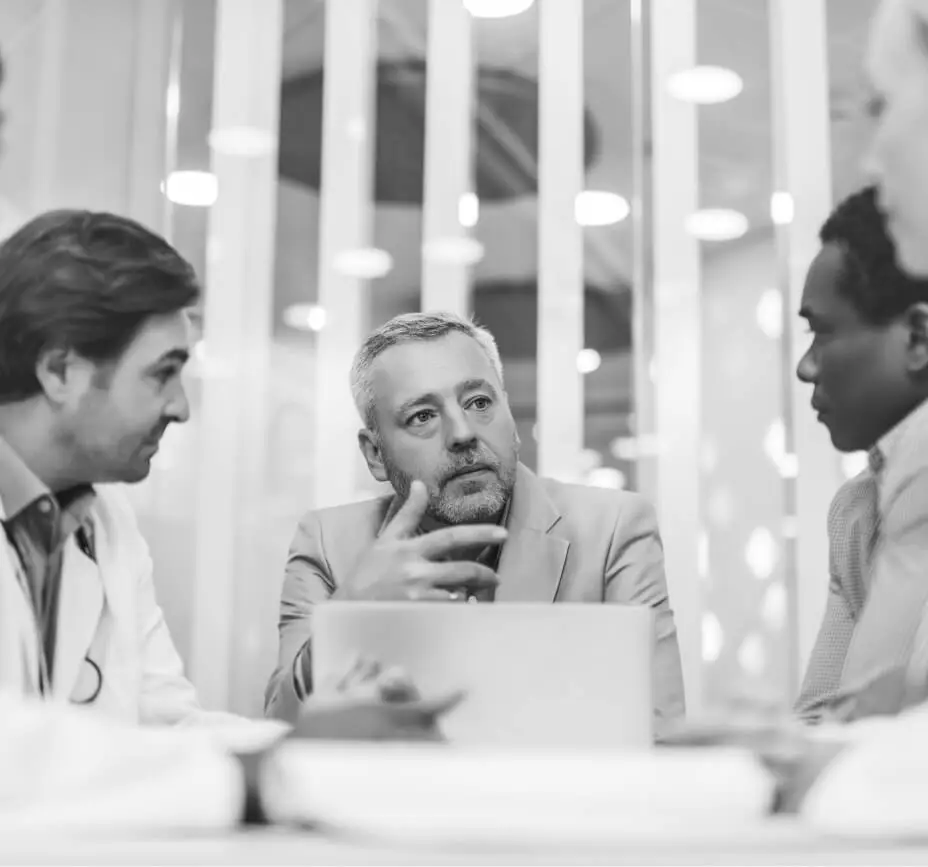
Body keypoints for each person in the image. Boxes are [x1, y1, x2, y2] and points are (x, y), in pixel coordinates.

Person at [0, 208, 453, 740]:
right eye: (163, 373)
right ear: (60, 371)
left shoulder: (101, 525)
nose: (180, 407)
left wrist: (317, 743)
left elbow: (168, 728)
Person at [266, 311, 686, 735]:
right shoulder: (326, 544)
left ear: (512, 420)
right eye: (423, 416)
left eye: (479, 403)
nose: (463, 432)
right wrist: (350, 610)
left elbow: (659, 742)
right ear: (375, 454)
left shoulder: (614, 530)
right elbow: (280, 736)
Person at [792, 185, 928, 722]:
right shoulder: (857, 512)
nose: (806, 366)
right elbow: (825, 722)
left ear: (918, 337)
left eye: (821, 333)